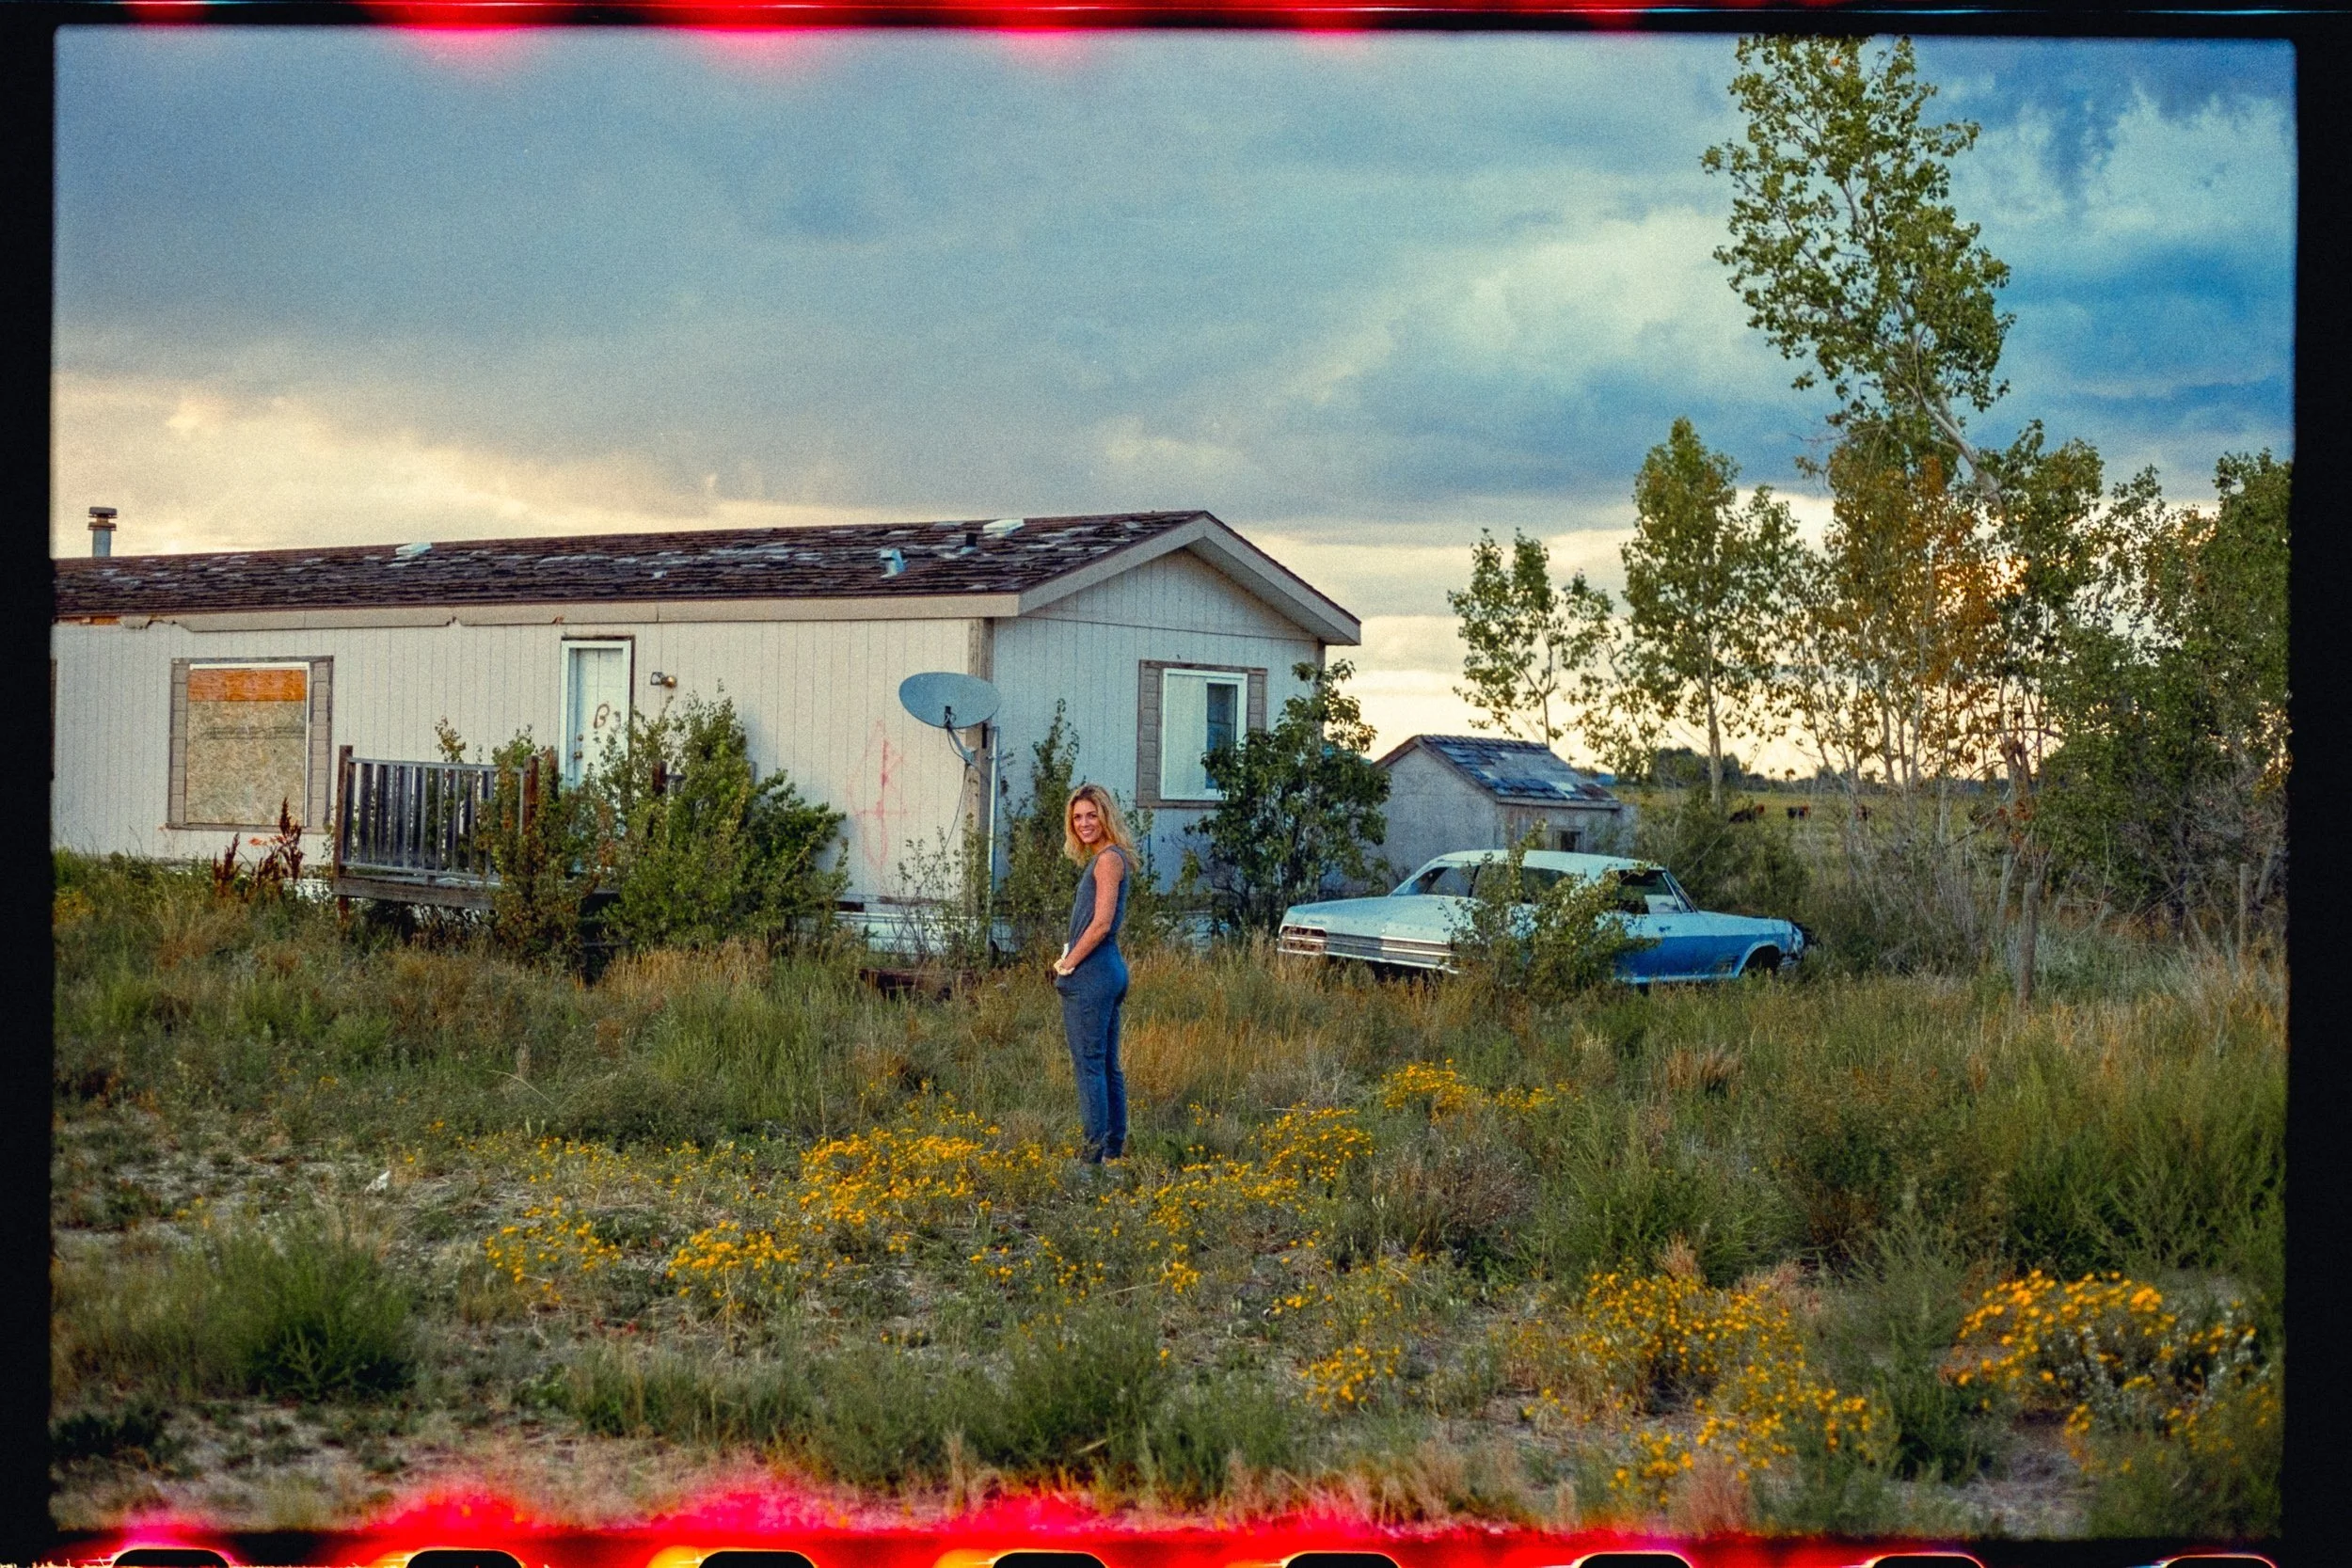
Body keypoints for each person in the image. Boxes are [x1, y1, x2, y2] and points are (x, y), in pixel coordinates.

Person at [1052, 782, 1135, 1165]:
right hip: (1107, 970)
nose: (1084, 823)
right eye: (1077, 817)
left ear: (1105, 816)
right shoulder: (1108, 858)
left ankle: (1092, 1157)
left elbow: (1101, 924)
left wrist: (1069, 963)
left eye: (1091, 815)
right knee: (1104, 1064)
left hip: (1094, 974)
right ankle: (1113, 1149)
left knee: (1090, 1065)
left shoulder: (1107, 860)